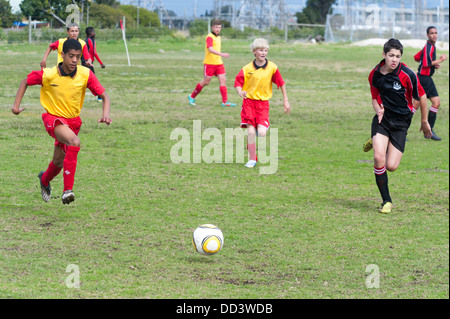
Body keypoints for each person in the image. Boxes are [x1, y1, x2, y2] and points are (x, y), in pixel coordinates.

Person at [12, 39, 112, 205]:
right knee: (75, 141)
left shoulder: (85, 74)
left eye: (78, 57)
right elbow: (25, 82)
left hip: (73, 123)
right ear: (63, 55)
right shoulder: (49, 74)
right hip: (53, 119)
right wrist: (16, 106)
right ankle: (68, 191)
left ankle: (44, 179)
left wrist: (106, 114)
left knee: (58, 162)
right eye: (71, 56)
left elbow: (104, 95)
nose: (74, 60)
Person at [367, 38, 431, 214]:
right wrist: (377, 109)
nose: (394, 60)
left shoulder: (407, 74)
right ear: (384, 55)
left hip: (401, 124)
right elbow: (374, 97)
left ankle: (377, 141)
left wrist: (424, 121)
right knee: (379, 158)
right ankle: (386, 201)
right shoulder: (375, 74)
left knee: (391, 166)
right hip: (383, 120)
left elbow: (422, 96)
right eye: (391, 55)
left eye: (398, 56)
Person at [234, 38, 290, 168]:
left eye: (265, 50)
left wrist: (285, 100)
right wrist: (239, 91)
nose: (263, 53)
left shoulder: (272, 67)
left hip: (263, 105)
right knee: (251, 132)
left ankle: (261, 127)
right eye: (260, 50)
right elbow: (238, 83)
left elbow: (281, 83)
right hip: (248, 103)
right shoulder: (247, 68)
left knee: (262, 133)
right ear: (254, 52)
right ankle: (252, 158)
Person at [188, 19, 236, 107]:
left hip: (219, 63)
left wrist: (220, 56)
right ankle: (192, 96)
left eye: (219, 27)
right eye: (216, 27)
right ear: (212, 27)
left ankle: (224, 102)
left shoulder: (218, 37)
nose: (218, 29)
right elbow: (210, 49)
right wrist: (222, 54)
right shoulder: (209, 37)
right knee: (206, 82)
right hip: (209, 63)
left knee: (223, 80)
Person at [413, 26, 447, 141]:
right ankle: (400, 130)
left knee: (436, 102)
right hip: (423, 79)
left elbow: (417, 58)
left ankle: (429, 131)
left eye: (436, 33)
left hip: (426, 78)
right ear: (427, 35)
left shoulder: (429, 46)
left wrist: (434, 64)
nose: (434, 35)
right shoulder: (429, 47)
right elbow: (426, 63)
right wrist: (440, 60)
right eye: (432, 33)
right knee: (415, 105)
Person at [83, 26, 106, 101]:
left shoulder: (85, 40)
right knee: (93, 80)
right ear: (90, 33)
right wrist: (101, 63)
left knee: (84, 80)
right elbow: (94, 53)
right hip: (88, 63)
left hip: (85, 62)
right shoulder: (90, 40)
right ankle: (100, 97)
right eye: (94, 32)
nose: (95, 33)